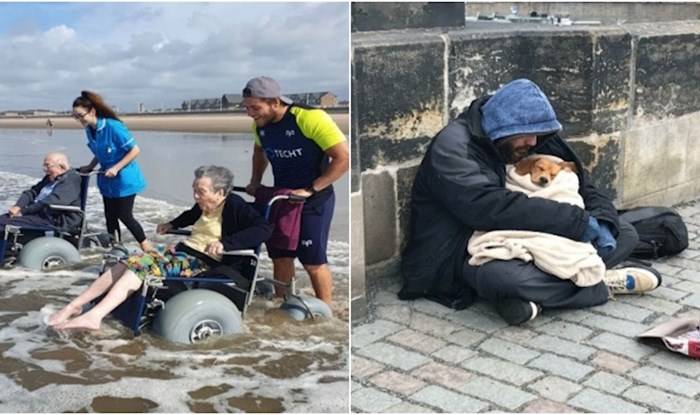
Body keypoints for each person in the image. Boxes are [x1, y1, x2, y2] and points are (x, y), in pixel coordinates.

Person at [399, 78, 662, 325]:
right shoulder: (454, 145)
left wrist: (601, 221)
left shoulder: (533, 136)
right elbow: (488, 207)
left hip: (530, 236)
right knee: (503, 277)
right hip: (461, 250)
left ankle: (541, 296)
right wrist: (578, 223)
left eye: (537, 135)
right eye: (526, 135)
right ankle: (599, 284)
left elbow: (584, 183)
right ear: (502, 126)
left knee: (623, 232)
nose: (533, 142)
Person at [48, 165, 271, 331]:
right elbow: (191, 215)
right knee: (127, 261)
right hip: (183, 254)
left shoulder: (235, 205)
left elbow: (263, 229)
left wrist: (225, 244)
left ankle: (95, 316)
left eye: (201, 191)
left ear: (221, 193)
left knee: (140, 266)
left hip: (203, 262)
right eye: (194, 190)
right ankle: (75, 306)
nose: (195, 196)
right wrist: (172, 224)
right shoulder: (206, 204)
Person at [241, 76, 349, 305]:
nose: (250, 113)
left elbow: (343, 159)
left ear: (275, 102)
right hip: (282, 199)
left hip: (314, 199)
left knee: (312, 261)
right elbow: (259, 153)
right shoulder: (260, 126)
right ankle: (283, 305)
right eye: (247, 107)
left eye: (255, 107)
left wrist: (310, 189)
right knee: (280, 257)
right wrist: (255, 181)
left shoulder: (309, 118)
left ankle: (325, 311)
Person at [72, 90, 154, 252]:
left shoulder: (113, 126)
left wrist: (116, 168)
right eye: (75, 116)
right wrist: (90, 166)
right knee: (109, 215)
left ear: (92, 111)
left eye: (81, 115)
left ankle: (146, 246)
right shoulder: (90, 129)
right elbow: (99, 152)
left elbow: (135, 150)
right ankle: (115, 247)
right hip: (106, 180)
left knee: (124, 215)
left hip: (125, 179)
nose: (79, 120)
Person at [0, 152, 81, 232]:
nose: (44, 169)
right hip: (38, 213)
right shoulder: (50, 178)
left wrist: (23, 212)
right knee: (3, 218)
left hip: (53, 219)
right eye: (44, 165)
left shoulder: (71, 180)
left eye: (47, 165)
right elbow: (31, 193)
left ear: (61, 167)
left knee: (3, 222)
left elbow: (50, 202)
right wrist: (18, 206)